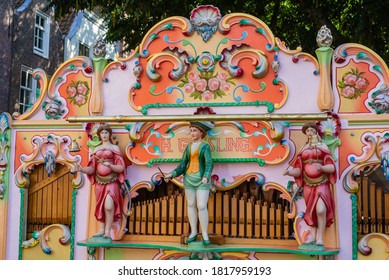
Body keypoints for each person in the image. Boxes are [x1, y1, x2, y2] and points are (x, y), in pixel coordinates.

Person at [283, 123, 336, 247]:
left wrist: (322, 167)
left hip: (322, 182)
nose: (310, 132)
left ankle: (320, 237)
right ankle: (313, 237)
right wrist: (289, 172)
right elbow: (298, 169)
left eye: (312, 130)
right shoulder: (304, 148)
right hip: (308, 184)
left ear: (316, 132)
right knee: (310, 210)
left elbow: (332, 167)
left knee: (321, 210)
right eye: (308, 131)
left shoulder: (322, 146)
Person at [164, 121, 214, 245]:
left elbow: (209, 163)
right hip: (189, 179)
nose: (192, 133)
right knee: (191, 204)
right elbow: (182, 165)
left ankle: (205, 234)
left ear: (201, 132)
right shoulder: (188, 147)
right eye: (191, 131)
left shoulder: (205, 146)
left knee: (202, 205)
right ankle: (193, 232)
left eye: (195, 131)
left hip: (201, 179)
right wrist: (172, 174)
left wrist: (206, 176)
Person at [77, 124, 126, 240]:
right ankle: (102, 229)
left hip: (112, 181)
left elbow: (121, 168)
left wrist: (111, 166)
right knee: (101, 206)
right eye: (102, 133)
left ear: (110, 134)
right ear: (99, 135)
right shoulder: (96, 150)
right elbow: (92, 169)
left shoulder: (115, 148)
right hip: (99, 182)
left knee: (109, 205)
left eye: (106, 133)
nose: (104, 135)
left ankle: (108, 231)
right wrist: (81, 169)